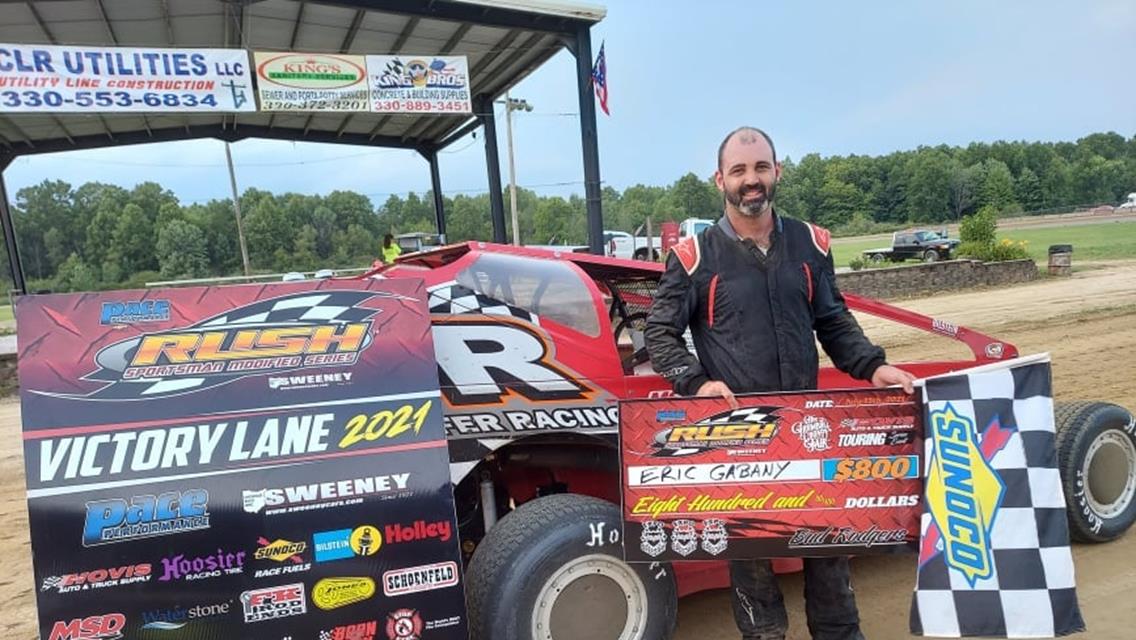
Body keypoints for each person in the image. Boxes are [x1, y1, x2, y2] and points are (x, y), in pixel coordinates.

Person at [644, 126, 916, 640]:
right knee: (750, 557)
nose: (752, 180)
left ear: (777, 172)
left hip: (810, 429)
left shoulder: (811, 244)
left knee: (829, 545)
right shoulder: (692, 256)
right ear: (719, 179)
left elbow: (832, 320)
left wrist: (873, 366)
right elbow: (659, 333)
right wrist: (695, 383)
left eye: (761, 168)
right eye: (740, 171)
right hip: (737, 436)